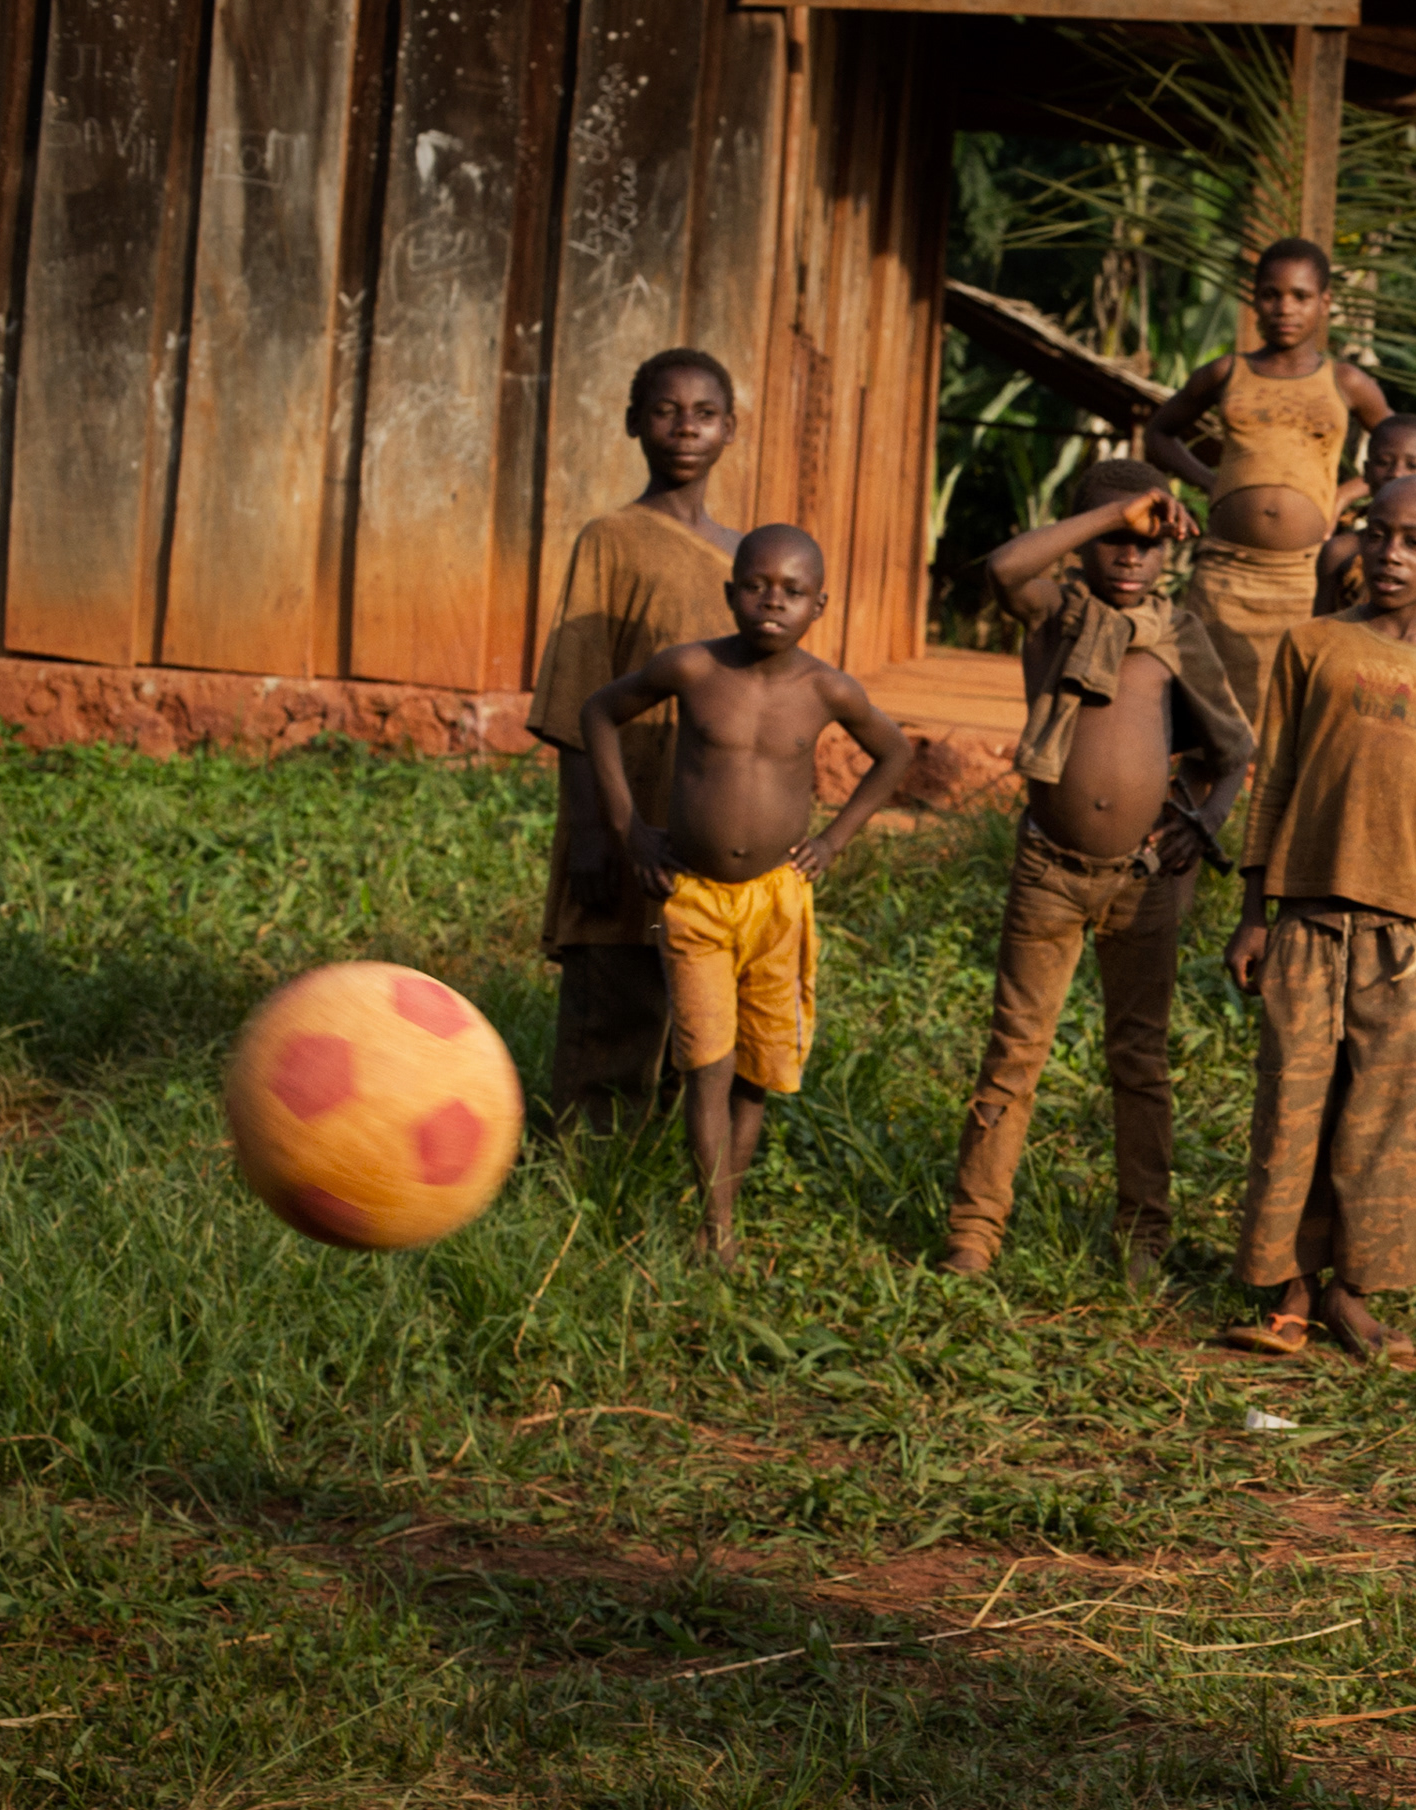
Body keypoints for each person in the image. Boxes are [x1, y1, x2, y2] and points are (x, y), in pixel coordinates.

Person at [941, 459, 1256, 1285]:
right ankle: (973, 1235)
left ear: (1173, 555)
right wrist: (1120, 508)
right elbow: (1006, 567)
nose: (1129, 556)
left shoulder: (1180, 632)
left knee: (1139, 1058)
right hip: (1050, 868)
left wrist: (1205, 821)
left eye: (1147, 544)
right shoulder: (1055, 612)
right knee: (1015, 1053)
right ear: (1083, 540)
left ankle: (1143, 1235)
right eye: (1112, 538)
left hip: (1146, 877)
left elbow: (1234, 751)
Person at [1219, 475, 1416, 1362]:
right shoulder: (1312, 647)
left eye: (1415, 541)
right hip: (1305, 922)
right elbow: (1272, 787)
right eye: (1379, 534)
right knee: (1294, 1108)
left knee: (1388, 1118)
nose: (1390, 554)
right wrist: (1253, 914)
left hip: (1408, 942)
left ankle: (1355, 1292)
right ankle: (1289, 1291)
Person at [580, 526, 915, 1261]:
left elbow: (895, 753)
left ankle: (720, 1210)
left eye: (792, 592)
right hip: (695, 897)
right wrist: (629, 828)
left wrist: (833, 840)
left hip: (778, 903)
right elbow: (599, 713)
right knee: (708, 1062)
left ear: (818, 604)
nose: (773, 601)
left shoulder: (827, 689)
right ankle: (716, 1231)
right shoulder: (692, 668)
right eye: (758, 586)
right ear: (731, 592)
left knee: (757, 1073)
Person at [527, 348, 745, 1130]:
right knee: (613, 991)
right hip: (629, 812)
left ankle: (679, 1172)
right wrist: (595, 829)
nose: (685, 427)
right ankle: (589, 1171)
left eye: (704, 413)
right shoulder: (610, 539)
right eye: (664, 410)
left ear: (731, 430)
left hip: (708, 820)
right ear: (632, 425)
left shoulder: (748, 562)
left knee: (705, 1009)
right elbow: (577, 692)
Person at [1142, 238, 1394, 722]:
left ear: (1325, 303)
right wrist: (1208, 480)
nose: (1285, 308)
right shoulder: (1225, 372)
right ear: (1255, 300)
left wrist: (1344, 493)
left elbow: (1405, 455)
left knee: (1292, 718)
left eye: (1300, 296)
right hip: (1226, 575)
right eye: (1270, 295)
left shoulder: (1346, 382)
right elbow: (1159, 433)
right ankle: (1203, 799)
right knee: (1203, 718)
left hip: (1305, 578)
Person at [1314, 413, 1416, 614]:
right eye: (1384, 462)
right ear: (1367, 471)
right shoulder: (1340, 552)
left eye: (1412, 465)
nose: (1396, 473)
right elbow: (1317, 634)